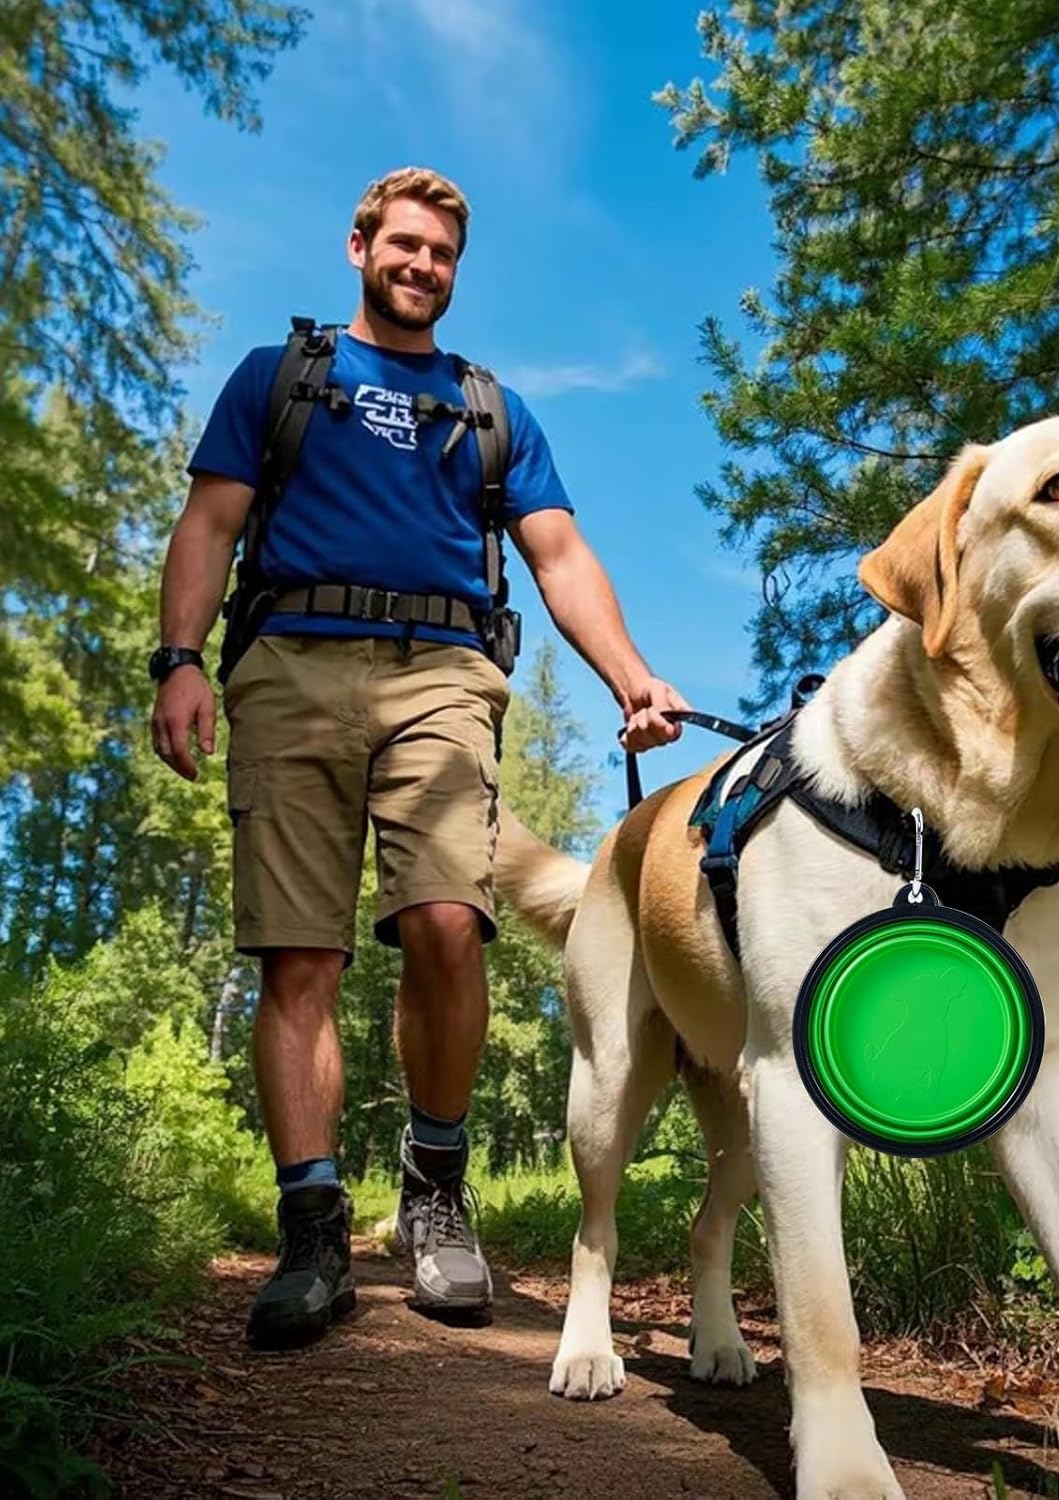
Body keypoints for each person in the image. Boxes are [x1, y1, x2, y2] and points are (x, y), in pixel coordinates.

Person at [149, 166, 687, 1347]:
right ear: (358, 247)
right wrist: (178, 659)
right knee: (300, 958)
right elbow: (210, 522)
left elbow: (558, 555)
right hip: (288, 665)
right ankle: (311, 1224)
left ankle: (436, 1190)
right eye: (403, 245)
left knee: (448, 923)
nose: (421, 266)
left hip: (444, 675)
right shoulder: (282, 377)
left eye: (440, 253)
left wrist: (632, 675)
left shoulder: (491, 409)